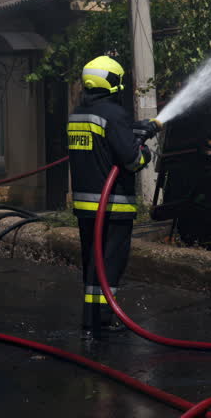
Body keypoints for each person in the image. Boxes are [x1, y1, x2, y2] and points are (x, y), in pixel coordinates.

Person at [66, 55, 155, 337]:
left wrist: (131, 134)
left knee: (93, 263)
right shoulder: (114, 115)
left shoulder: (78, 114)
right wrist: (144, 151)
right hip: (113, 207)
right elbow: (131, 160)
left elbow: (104, 149)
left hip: (85, 207)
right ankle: (104, 320)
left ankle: (91, 318)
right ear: (114, 82)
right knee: (111, 263)